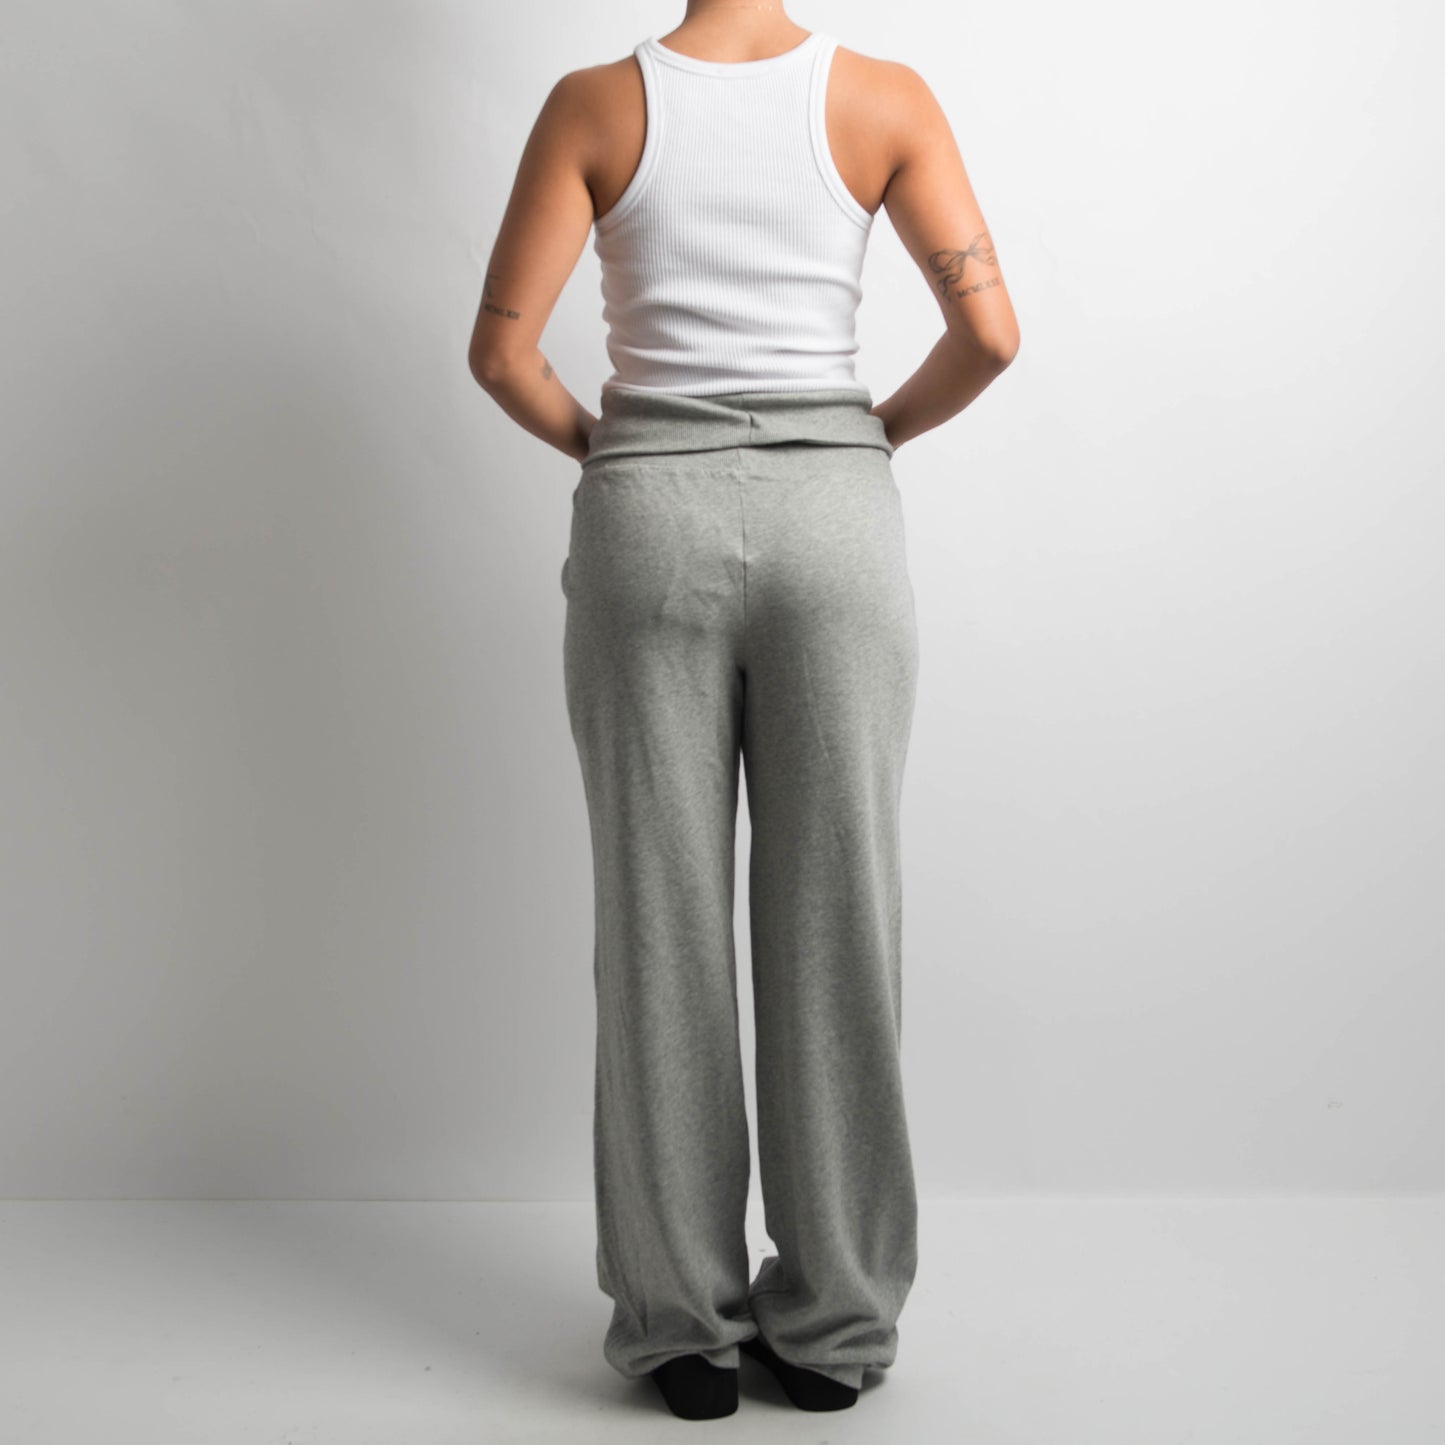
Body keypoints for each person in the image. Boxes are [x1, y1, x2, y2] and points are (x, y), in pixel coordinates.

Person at [467, 1, 1019, 1422]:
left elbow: (502, 355)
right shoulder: (884, 97)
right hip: (837, 510)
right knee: (841, 915)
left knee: (657, 920)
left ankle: (682, 1331)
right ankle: (832, 1331)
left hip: (646, 508)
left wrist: (617, 452)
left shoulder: (593, 103)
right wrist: (863, 436)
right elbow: (990, 332)